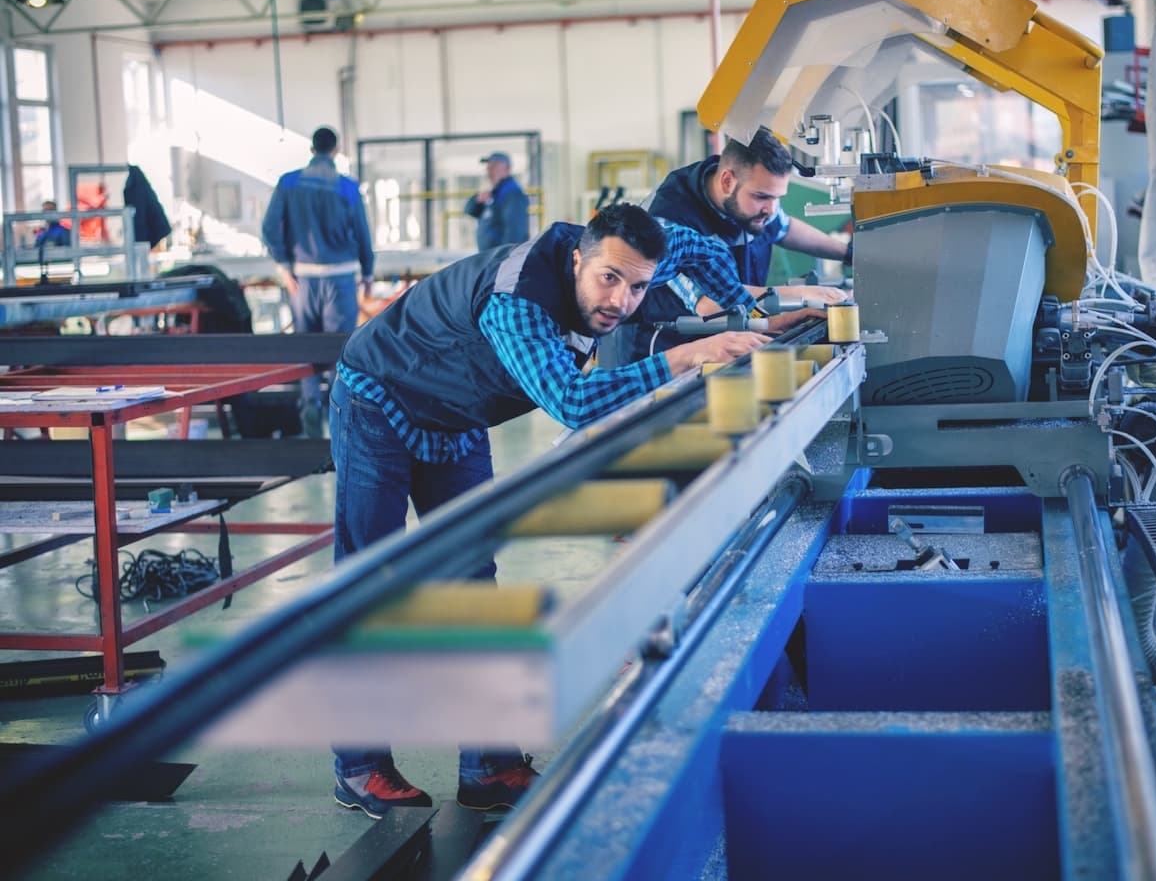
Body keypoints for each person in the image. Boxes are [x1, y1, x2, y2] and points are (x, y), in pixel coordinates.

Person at [329, 203, 769, 819]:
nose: (621, 301)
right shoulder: (518, 303)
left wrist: (749, 309)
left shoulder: (639, 252)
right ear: (577, 259)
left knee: (472, 585)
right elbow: (572, 401)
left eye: (638, 287)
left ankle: (487, 766)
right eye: (608, 279)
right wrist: (690, 354)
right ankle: (359, 766)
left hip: (458, 411)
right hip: (380, 397)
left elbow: (705, 249)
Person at [610, 126, 851, 363]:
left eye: (777, 198)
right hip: (663, 351)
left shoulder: (750, 198)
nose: (771, 209)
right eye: (762, 196)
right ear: (726, 182)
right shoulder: (670, 218)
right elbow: (708, 303)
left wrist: (849, 254)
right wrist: (802, 293)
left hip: (727, 340)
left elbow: (784, 229)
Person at [262, 126, 374, 439]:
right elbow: (363, 232)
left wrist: (284, 267)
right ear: (336, 150)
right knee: (340, 352)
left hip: (303, 280)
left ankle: (310, 408)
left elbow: (269, 228)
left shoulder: (289, 182)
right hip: (340, 279)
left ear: (311, 149)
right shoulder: (348, 187)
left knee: (307, 350)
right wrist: (367, 273)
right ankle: (339, 422)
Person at [465, 151, 530, 251]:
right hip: (490, 256)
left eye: (494, 167)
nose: (489, 171)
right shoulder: (494, 193)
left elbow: (515, 231)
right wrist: (477, 200)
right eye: (488, 167)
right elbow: (470, 211)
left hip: (501, 257)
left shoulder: (512, 194)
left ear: (507, 170)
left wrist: (506, 255)